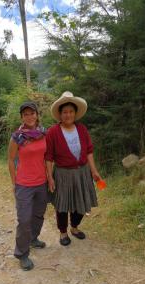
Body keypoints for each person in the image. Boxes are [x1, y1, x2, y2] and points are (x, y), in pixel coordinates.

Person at [45, 91, 101, 246]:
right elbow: (48, 157)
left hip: (82, 173)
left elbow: (89, 151)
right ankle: (63, 232)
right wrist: (49, 177)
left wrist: (94, 171)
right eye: (65, 112)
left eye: (71, 111)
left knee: (81, 202)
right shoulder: (53, 132)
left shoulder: (82, 129)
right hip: (62, 174)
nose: (68, 115)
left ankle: (74, 227)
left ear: (75, 113)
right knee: (62, 205)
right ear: (60, 114)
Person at [8, 101, 48, 271]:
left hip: (42, 182)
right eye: (26, 114)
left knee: (38, 215)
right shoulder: (17, 136)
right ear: (22, 117)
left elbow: (47, 157)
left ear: (37, 115)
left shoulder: (43, 133)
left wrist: (50, 177)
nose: (30, 116)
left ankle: (33, 239)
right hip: (24, 184)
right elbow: (10, 159)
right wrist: (14, 182)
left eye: (32, 113)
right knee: (24, 220)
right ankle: (22, 254)